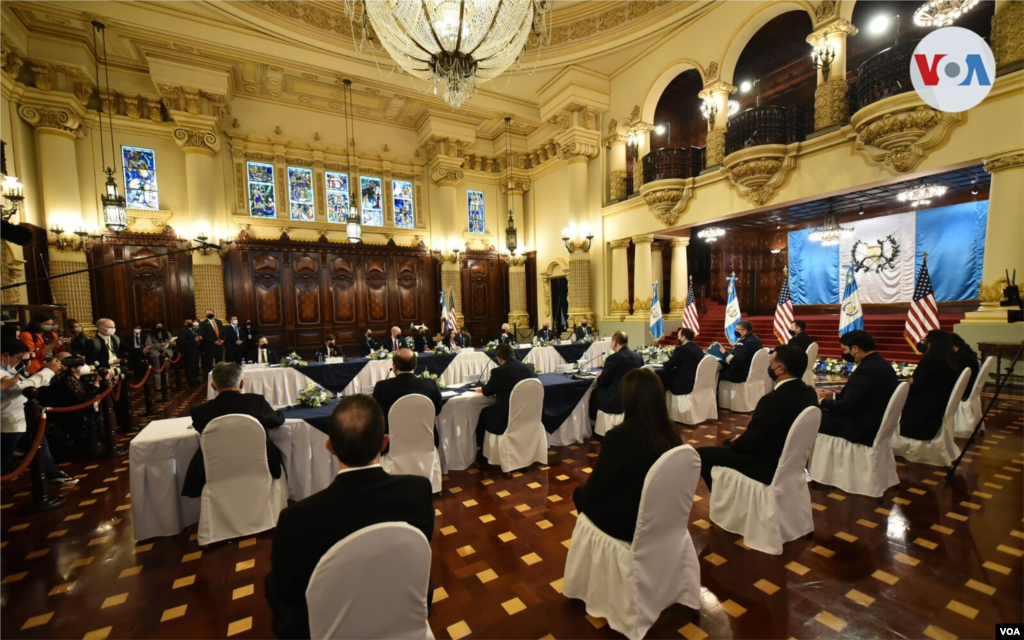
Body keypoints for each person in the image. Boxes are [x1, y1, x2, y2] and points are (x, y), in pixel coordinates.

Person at [265, 395, 434, 640]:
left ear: (329, 446)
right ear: (384, 442)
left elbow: (286, 590)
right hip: (402, 606)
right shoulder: (417, 491)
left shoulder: (297, 519)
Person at [573, 368, 682, 541]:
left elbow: (595, 488)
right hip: (666, 511)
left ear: (628, 399)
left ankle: (601, 551)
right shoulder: (672, 429)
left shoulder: (619, 436)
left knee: (580, 493)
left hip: (633, 522)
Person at [697, 345, 818, 490]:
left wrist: (735, 442)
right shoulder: (809, 393)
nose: (769, 368)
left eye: (771, 364)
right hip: (788, 460)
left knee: (702, 453)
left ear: (781, 369)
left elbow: (751, 443)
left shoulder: (772, 400)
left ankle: (727, 496)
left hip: (764, 464)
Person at [181, 363, 285, 498]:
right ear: (242, 383)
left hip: (215, 471)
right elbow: (276, 421)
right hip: (259, 464)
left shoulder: (199, 411)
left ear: (213, 386)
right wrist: (275, 412)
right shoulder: (255, 401)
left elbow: (202, 430)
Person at [0, 338, 76, 487]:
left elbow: (28, 382)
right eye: (18, 358)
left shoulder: (8, 368)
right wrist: (47, 371)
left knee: (41, 448)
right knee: (3, 458)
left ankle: (51, 474)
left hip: (25, 416)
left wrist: (49, 372)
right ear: (4, 356)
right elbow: (23, 387)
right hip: (9, 421)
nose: (19, 362)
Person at [817, 330, 899, 446]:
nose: (844, 353)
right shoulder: (881, 363)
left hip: (861, 428)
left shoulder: (865, 371)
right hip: (874, 420)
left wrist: (822, 401)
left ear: (855, 348)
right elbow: (862, 398)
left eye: (844, 350)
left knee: (811, 415)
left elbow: (847, 407)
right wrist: (833, 396)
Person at [372, 349, 442, 449]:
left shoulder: (381, 387)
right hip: (427, 443)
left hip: (392, 446)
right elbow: (437, 410)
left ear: (394, 366)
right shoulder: (430, 385)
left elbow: (376, 415)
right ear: (415, 365)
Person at [898, 329, 959, 441]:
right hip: (938, 404)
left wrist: (908, 382)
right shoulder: (949, 359)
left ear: (931, 344)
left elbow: (916, 387)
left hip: (924, 413)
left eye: (925, 341)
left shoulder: (931, 361)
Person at [48, 356, 105, 460]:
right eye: (80, 366)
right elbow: (84, 398)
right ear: (73, 368)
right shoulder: (69, 379)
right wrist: (96, 383)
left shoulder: (79, 378)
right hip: (75, 416)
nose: (83, 367)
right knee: (89, 450)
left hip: (85, 414)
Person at [478, 343, 536, 444]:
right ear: (513, 354)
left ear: (499, 359)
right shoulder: (529, 369)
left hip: (507, 417)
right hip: (529, 413)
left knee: (484, 412)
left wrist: (483, 386)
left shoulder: (499, 372)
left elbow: (487, 392)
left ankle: (483, 450)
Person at [589, 331, 643, 421]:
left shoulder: (613, 358)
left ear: (615, 342)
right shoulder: (638, 356)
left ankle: (596, 424)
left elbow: (603, 382)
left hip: (617, 398)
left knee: (594, 394)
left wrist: (600, 376)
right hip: (635, 395)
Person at [658, 327, 704, 395]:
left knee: (662, 378)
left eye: (678, 336)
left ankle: (662, 403)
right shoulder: (699, 349)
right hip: (697, 383)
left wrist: (666, 362)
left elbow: (668, 366)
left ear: (683, 337)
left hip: (683, 386)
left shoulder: (682, 350)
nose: (678, 339)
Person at [951, 333, 980, 401]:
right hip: (970, 388)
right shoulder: (966, 352)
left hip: (964, 391)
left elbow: (955, 377)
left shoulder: (961, 357)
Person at [147, 321, 175, 393]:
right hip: (156, 354)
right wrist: (159, 345)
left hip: (167, 353)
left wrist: (172, 343)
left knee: (166, 370)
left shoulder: (167, 333)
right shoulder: (151, 335)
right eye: (158, 326)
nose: (160, 328)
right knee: (157, 370)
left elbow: (173, 341)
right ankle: (158, 386)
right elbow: (148, 345)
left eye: (161, 326)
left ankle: (166, 384)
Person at [198, 309, 225, 373]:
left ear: (214, 313)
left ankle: (219, 375)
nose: (209, 314)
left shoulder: (219, 322)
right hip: (209, 346)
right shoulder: (203, 324)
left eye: (210, 313)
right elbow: (204, 335)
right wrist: (214, 342)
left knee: (219, 362)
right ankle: (208, 377)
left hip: (219, 346)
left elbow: (223, 332)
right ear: (206, 315)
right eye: (208, 314)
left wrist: (222, 340)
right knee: (209, 363)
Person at [177, 318, 202, 385]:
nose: (190, 323)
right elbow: (182, 341)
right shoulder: (183, 331)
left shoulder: (194, 329)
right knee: (190, 366)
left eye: (191, 322)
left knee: (195, 365)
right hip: (189, 351)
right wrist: (194, 340)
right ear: (184, 323)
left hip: (196, 350)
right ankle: (191, 381)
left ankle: (196, 379)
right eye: (188, 322)